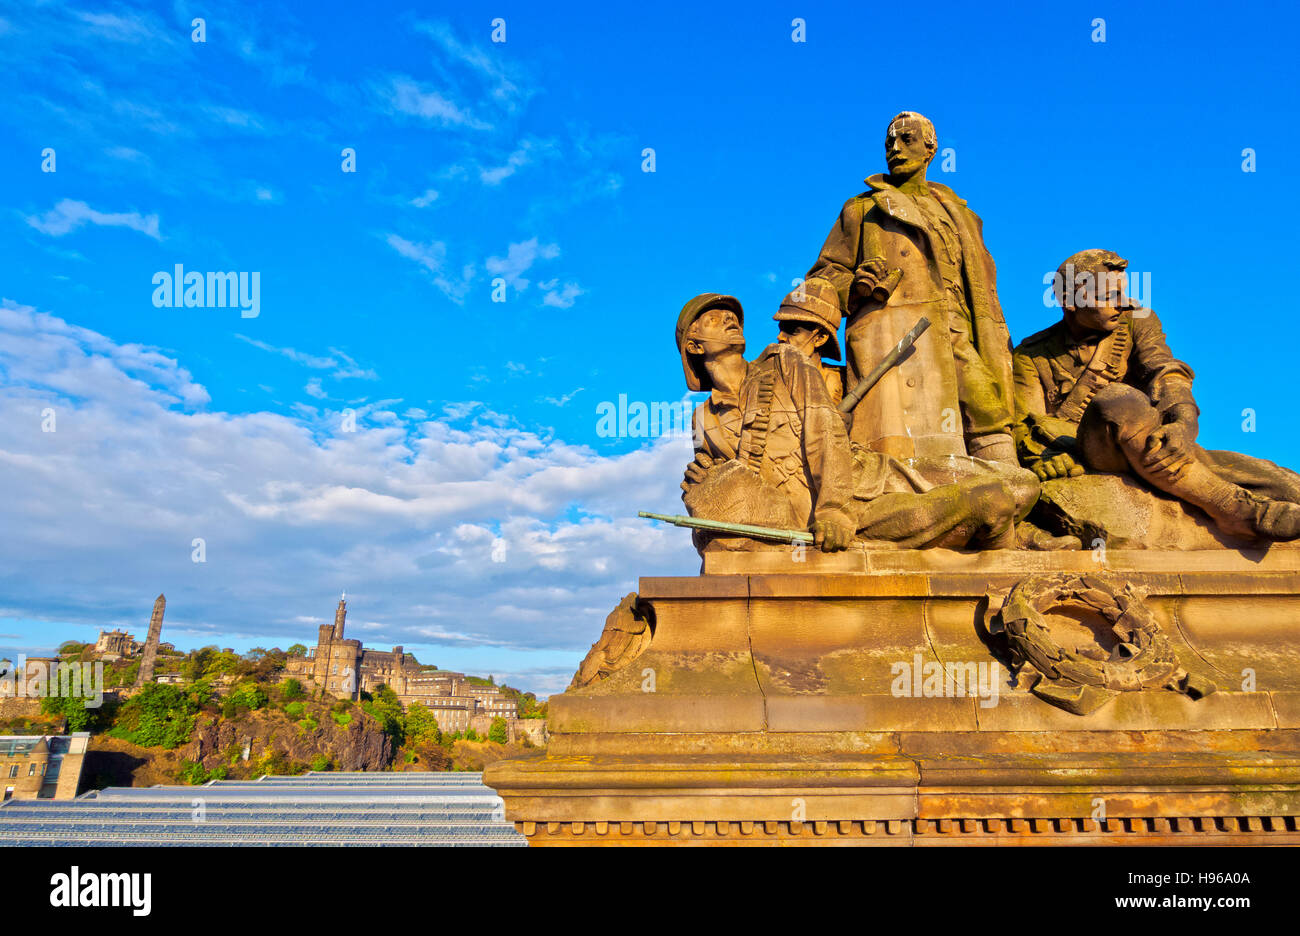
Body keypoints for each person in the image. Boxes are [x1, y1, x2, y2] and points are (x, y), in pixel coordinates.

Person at [676, 280, 1025, 551]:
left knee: (1020, 487)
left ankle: (1025, 543)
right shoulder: (702, 419)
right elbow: (717, 494)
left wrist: (833, 511)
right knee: (991, 501)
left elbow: (822, 431)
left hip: (856, 492)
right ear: (694, 346)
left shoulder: (783, 363)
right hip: (811, 526)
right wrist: (700, 483)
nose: (727, 320)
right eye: (712, 320)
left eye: (731, 317)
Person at [1013, 249, 1300, 541]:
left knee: (1287, 486)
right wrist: (1051, 458)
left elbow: (1165, 372)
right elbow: (1027, 425)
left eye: (1123, 294)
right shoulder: (1031, 355)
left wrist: (1184, 423)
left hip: (1149, 444)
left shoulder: (1137, 320)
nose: (1122, 304)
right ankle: (1233, 509)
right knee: (1118, 401)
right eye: (1109, 296)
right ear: (1068, 301)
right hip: (1095, 449)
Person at [807, 111, 1017, 466]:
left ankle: (1012, 502)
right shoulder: (862, 209)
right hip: (898, 336)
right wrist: (856, 287)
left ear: (931, 149)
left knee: (990, 414)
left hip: (962, 329)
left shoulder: (962, 215)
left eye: (907, 140)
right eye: (890, 142)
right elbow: (824, 274)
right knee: (908, 445)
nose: (896, 149)